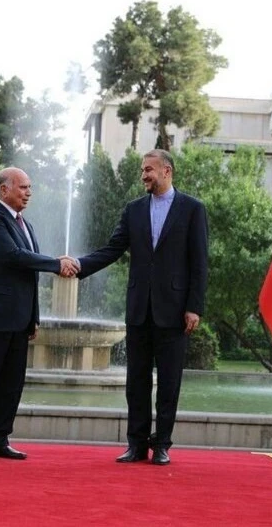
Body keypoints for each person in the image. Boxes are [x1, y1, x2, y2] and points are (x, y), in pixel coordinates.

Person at [73, 149, 208, 465]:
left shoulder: (192, 209)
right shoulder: (133, 210)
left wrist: (194, 307)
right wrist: (79, 265)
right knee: (136, 382)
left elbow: (200, 263)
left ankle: (162, 445)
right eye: (142, 170)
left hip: (174, 311)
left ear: (167, 171)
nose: (143, 175)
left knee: (169, 383)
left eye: (149, 169)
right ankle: (136, 445)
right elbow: (113, 249)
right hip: (139, 310)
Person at [0, 167, 78, 461]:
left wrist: (33, 316)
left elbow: (28, 277)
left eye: (29, 187)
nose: (29, 193)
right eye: (23, 187)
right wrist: (56, 263)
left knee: (11, 384)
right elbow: (12, 257)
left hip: (18, 319)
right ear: (4, 190)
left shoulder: (26, 225)